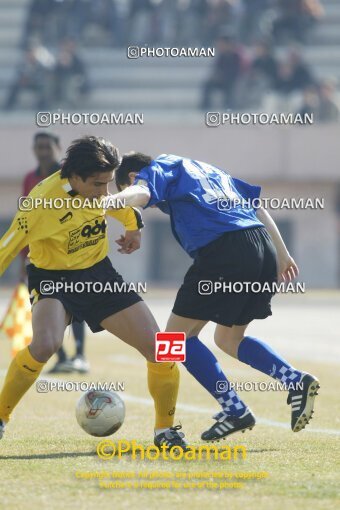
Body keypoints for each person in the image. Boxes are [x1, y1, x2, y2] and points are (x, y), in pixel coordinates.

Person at [113, 152, 320, 441]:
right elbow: (256, 207)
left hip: (225, 251)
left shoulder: (159, 168)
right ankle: (294, 379)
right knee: (228, 339)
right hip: (262, 247)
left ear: (132, 178)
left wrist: (106, 202)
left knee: (173, 341)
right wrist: (282, 254)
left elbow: (141, 191)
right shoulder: (206, 170)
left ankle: (234, 409)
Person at [0, 137, 186, 451]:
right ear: (74, 176)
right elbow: (7, 247)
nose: (104, 192)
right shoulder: (40, 203)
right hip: (52, 278)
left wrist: (134, 229)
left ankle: (165, 431)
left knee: (165, 350)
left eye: (108, 183)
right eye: (98, 185)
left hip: (98, 274)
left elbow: (120, 206)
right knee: (45, 345)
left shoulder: (99, 188)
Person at [21, 132, 88, 374]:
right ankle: (61, 357)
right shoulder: (30, 179)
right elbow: (26, 220)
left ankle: (80, 355)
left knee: (77, 303)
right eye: (39, 147)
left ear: (58, 147)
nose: (43, 151)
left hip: (72, 251)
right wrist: (23, 258)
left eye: (47, 146)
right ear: (34, 149)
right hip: (42, 257)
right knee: (46, 307)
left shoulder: (69, 175)